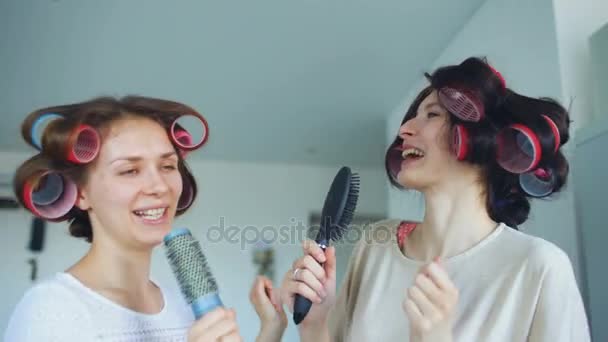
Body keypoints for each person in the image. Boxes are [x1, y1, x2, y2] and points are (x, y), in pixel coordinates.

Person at [279, 57, 591, 341]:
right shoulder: (376, 244)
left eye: (431, 114)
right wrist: (316, 326)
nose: (404, 129)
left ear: (479, 138)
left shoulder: (538, 267)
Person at [3, 96, 280, 342]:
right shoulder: (52, 309)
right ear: (81, 194)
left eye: (168, 166)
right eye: (129, 171)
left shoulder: (181, 307)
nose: (159, 186)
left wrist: (272, 329)